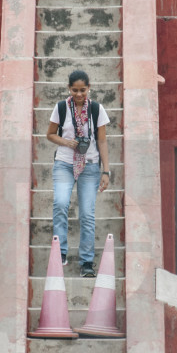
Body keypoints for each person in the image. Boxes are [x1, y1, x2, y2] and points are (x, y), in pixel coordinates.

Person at [45, 69, 111, 278]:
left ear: (88, 88)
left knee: (87, 214)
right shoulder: (61, 107)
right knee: (61, 203)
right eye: (75, 90)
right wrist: (67, 142)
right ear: (69, 89)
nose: (79, 94)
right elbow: (50, 134)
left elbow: (102, 141)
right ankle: (61, 252)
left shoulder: (96, 109)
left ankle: (86, 262)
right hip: (64, 163)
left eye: (83, 90)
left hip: (90, 166)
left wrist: (106, 171)